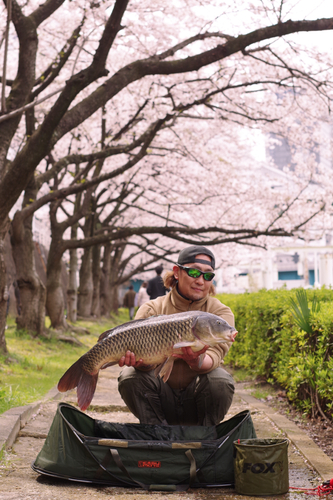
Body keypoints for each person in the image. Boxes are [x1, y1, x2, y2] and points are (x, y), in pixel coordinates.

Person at [118, 245, 236, 426]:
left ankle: (203, 437)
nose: (200, 281)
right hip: (158, 399)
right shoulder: (152, 309)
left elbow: (214, 357)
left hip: (197, 399)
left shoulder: (219, 314)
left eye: (208, 275)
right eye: (194, 273)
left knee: (220, 380)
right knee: (129, 376)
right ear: (176, 272)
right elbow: (143, 368)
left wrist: (195, 360)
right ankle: (156, 434)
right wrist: (140, 363)